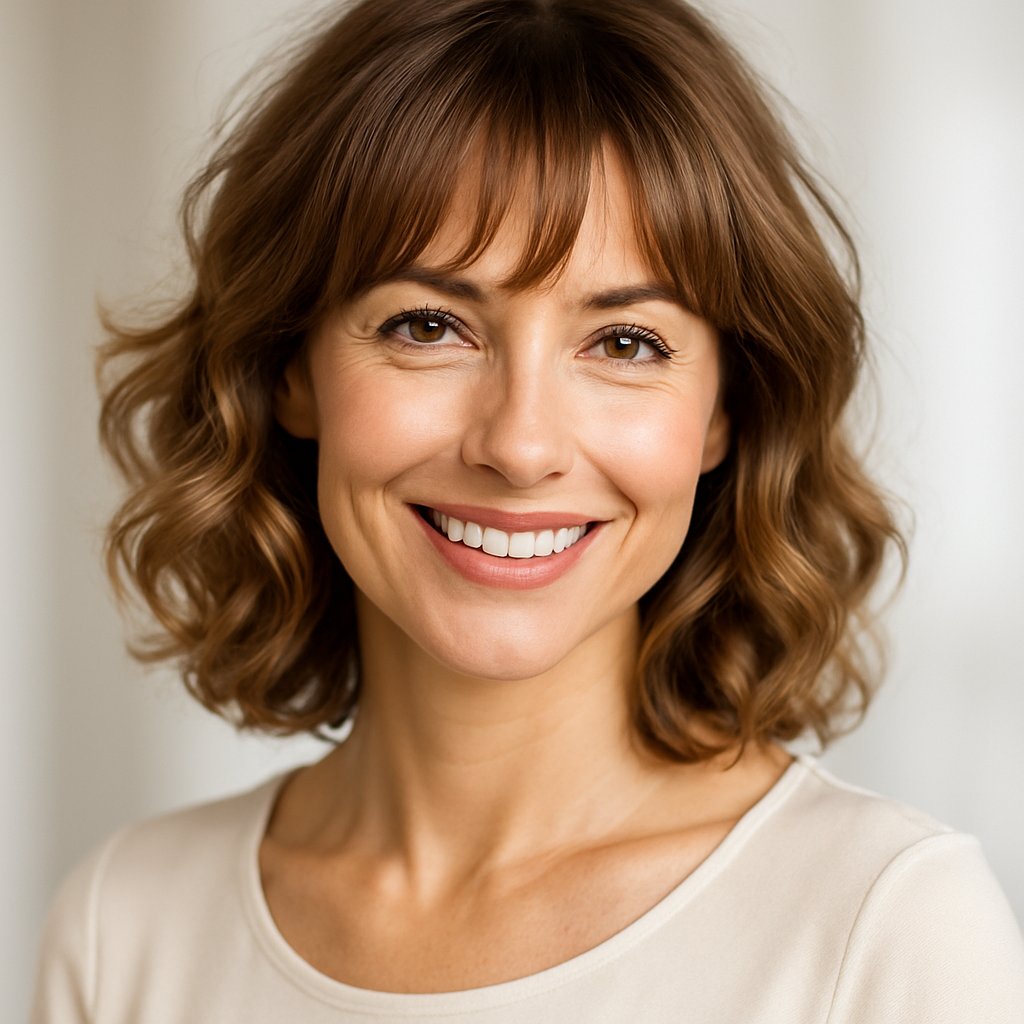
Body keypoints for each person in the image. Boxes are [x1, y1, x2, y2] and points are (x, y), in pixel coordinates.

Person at [31, 0, 1024, 1020]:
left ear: (726, 409)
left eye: (626, 343)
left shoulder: (884, 929)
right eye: (428, 326)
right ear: (289, 367)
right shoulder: (126, 928)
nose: (519, 444)